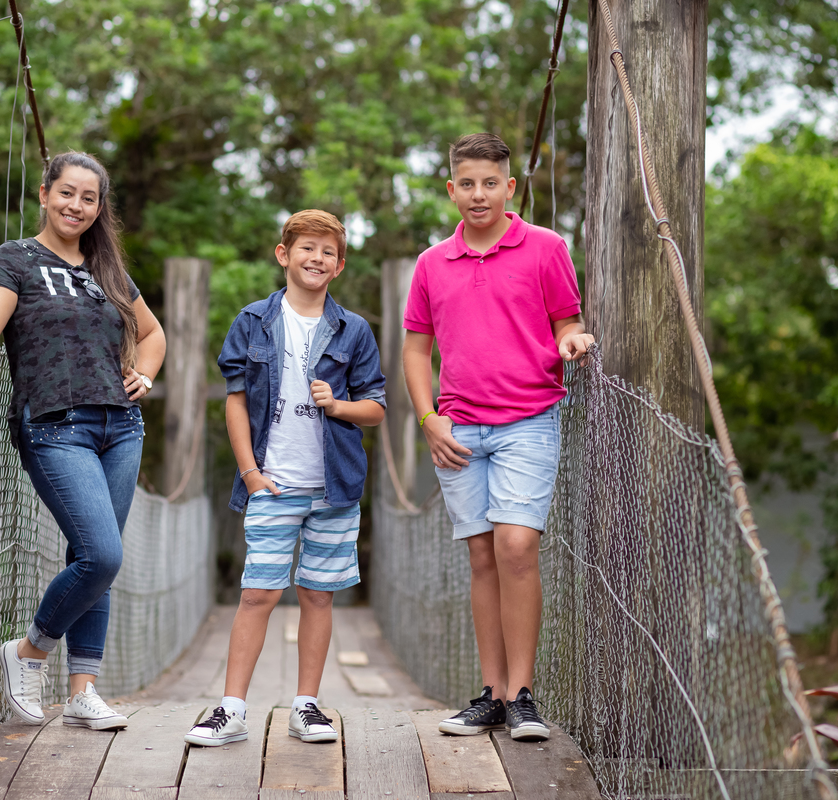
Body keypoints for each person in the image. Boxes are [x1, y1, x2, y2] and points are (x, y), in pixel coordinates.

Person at [0, 151, 166, 730]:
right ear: (45, 194)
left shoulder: (108, 271)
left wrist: (145, 374)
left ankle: (83, 691)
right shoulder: (18, 258)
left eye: (89, 198)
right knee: (103, 555)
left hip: (121, 427)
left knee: (94, 561)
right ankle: (29, 651)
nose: (77, 205)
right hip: (55, 425)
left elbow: (152, 334)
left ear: (99, 207)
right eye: (67, 193)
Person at [402, 133, 594, 742]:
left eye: (491, 183)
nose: (479, 194)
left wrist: (571, 340)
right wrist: (428, 418)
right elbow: (415, 350)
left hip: (528, 419)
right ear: (451, 189)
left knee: (516, 546)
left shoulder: (546, 248)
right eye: (467, 184)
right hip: (457, 428)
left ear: (510, 187)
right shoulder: (432, 263)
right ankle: (492, 694)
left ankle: (522, 695)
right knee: (482, 555)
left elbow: (567, 321)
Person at [184, 210, 386, 747]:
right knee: (258, 594)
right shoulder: (252, 321)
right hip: (273, 484)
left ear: (339, 266)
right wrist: (250, 474)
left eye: (327, 252)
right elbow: (234, 401)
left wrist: (338, 405)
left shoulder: (354, 330)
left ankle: (306, 706)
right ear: (283, 254)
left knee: (318, 595)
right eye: (306, 248)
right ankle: (231, 710)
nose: (316, 258)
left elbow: (375, 409)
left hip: (334, 488)